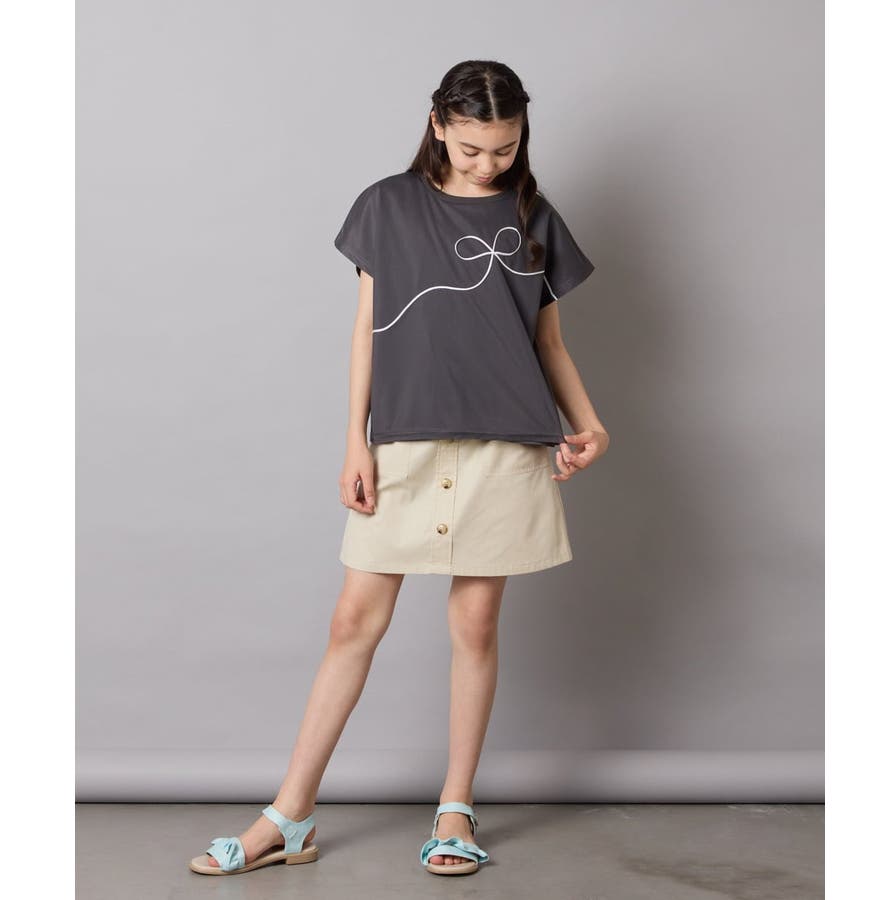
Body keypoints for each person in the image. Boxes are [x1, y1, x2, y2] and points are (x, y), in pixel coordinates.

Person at [189, 58, 610, 879]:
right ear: (437, 124)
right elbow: (365, 331)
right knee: (353, 622)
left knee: (475, 626)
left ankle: (456, 809)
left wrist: (589, 424)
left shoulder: (533, 214)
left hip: (506, 445)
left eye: (504, 148)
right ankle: (289, 816)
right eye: (471, 148)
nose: (487, 164)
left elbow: (548, 342)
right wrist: (356, 439)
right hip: (406, 442)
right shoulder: (385, 205)